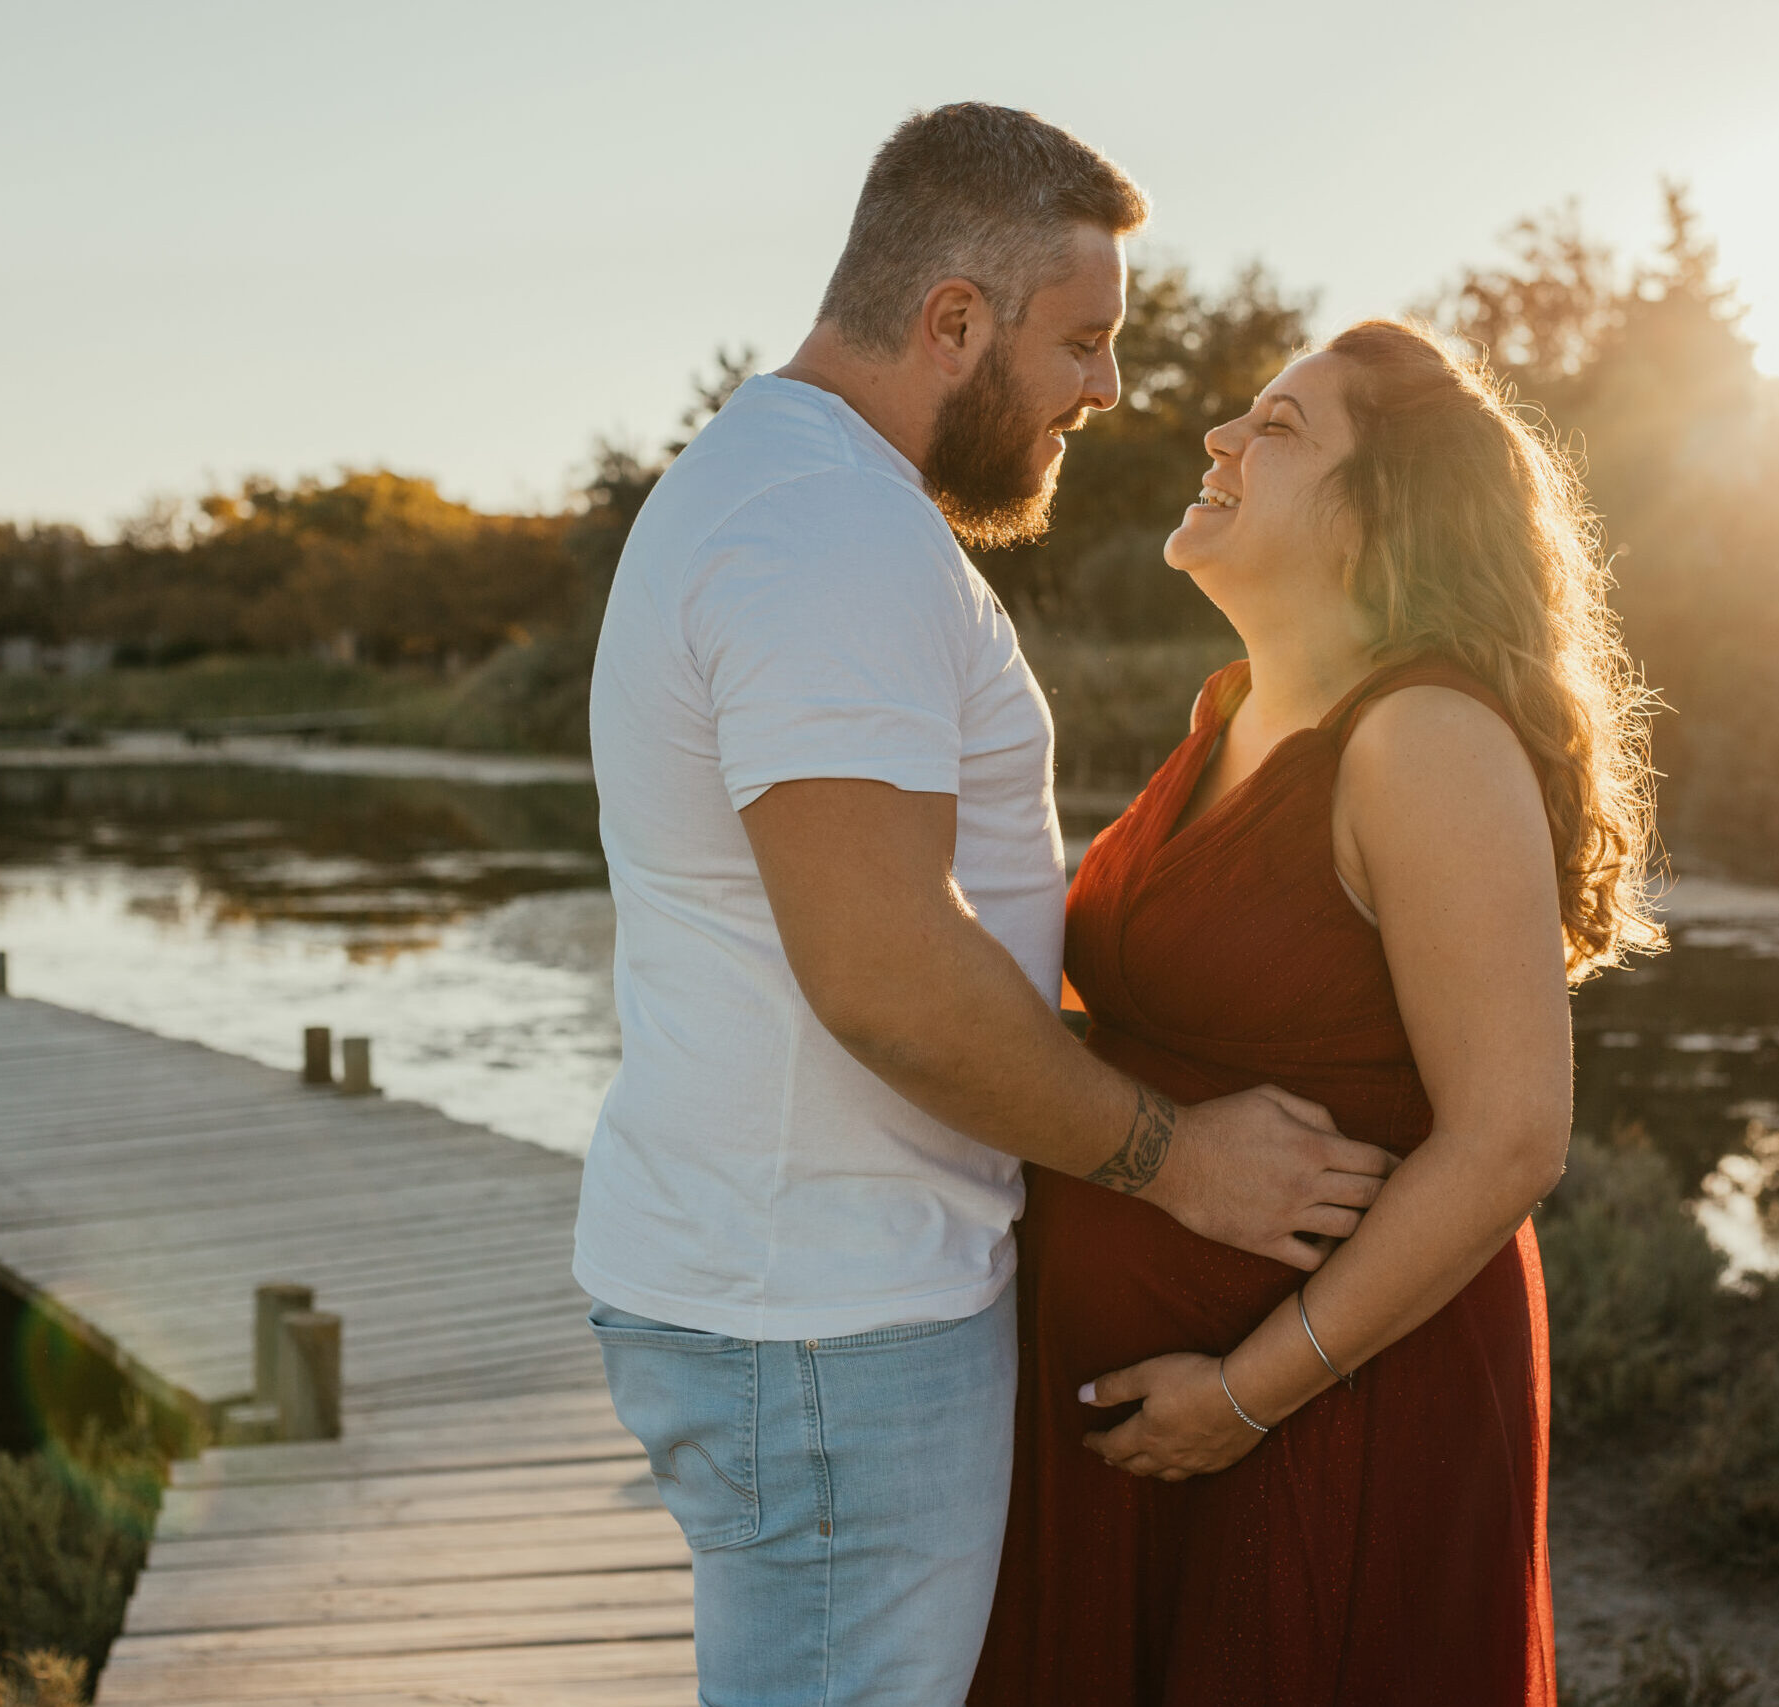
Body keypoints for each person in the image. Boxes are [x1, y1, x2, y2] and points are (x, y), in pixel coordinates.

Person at [574, 104, 1397, 1706]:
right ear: (954, 320)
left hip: (806, 1303)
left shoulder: (797, 498)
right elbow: (884, 969)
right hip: (828, 1328)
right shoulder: (824, 529)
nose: (1110, 388)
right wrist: (1180, 1161)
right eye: (1083, 341)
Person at [971, 320, 1662, 1706]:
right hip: (1157, 1428)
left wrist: (1243, 1399)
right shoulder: (1230, 709)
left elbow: (1513, 1137)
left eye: (1277, 429)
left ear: (1384, 509)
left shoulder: (1425, 739)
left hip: (1332, 1413)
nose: (1219, 440)